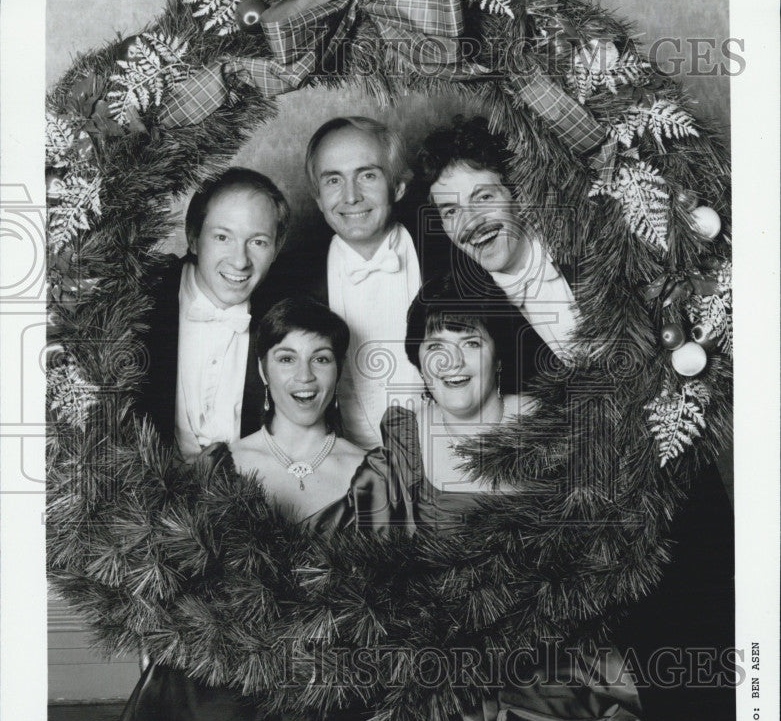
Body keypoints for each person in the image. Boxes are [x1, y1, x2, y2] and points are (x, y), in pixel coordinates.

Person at [107, 297, 391, 721]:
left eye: (320, 359)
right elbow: (177, 589)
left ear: (338, 371)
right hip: (221, 674)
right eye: (286, 358)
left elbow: (387, 598)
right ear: (262, 371)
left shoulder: (374, 474)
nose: (304, 377)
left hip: (330, 676)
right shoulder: (219, 466)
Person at [380, 275, 643, 721]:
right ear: (418, 362)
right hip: (445, 660)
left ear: (499, 355)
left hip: (550, 656)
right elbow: (384, 565)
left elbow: (598, 558)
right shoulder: (402, 434)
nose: (452, 362)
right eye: (435, 345)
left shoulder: (551, 426)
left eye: (470, 342)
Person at [263, 116, 431, 451]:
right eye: (333, 181)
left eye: (367, 175)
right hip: (339, 477)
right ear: (318, 198)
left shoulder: (452, 258)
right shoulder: (282, 282)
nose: (351, 197)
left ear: (398, 186)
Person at [135, 167, 290, 462]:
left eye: (258, 242)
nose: (240, 260)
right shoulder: (141, 299)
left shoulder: (286, 319)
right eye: (222, 237)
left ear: (276, 249)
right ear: (193, 238)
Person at [416, 115, 581, 387]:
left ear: (519, 195)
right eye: (451, 211)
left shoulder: (590, 245)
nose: (471, 223)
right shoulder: (467, 315)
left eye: (483, 197)